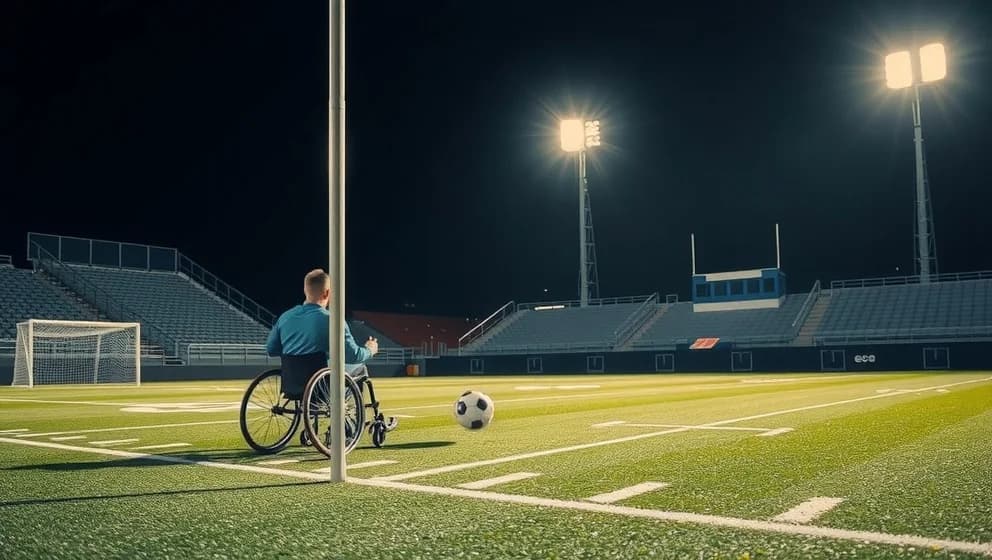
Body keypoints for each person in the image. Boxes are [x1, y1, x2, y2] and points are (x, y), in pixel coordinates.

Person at [265, 268, 378, 377]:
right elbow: (353, 356)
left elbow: (271, 350)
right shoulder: (333, 320)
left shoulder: (285, 317)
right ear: (327, 293)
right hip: (321, 383)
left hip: (291, 380)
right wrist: (370, 350)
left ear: (305, 290)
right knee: (360, 368)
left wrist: (295, 353)